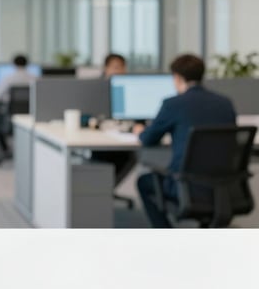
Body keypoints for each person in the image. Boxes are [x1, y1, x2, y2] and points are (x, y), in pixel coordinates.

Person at [134, 54, 237, 228]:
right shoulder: (225, 103)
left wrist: (139, 130)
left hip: (186, 185)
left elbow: (148, 139)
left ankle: (166, 235)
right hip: (223, 187)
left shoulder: (173, 104)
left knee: (143, 181)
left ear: (177, 77)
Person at [91, 54, 138, 206]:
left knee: (131, 155)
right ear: (106, 68)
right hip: (98, 137)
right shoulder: (95, 87)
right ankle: (99, 191)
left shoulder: (128, 86)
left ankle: (104, 190)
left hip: (123, 135)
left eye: (123, 67)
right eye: (116, 67)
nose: (120, 71)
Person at [0, 55, 37, 162]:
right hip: (31, 117)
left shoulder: (9, 78)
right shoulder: (34, 78)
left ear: (14, 64)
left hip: (11, 117)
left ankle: (5, 149)